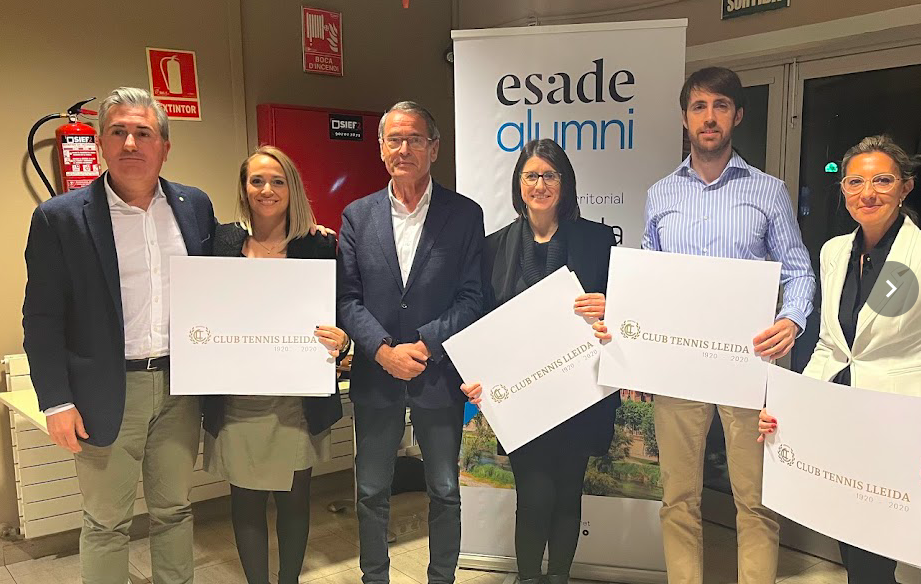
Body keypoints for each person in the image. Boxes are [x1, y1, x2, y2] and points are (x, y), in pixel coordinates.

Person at [22, 87, 216, 584]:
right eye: (119, 132)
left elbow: (226, 277)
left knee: (175, 509)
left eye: (143, 133)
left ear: (164, 147)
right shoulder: (60, 218)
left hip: (179, 388)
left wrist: (305, 236)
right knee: (106, 521)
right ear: (101, 144)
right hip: (105, 392)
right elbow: (41, 318)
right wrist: (56, 400)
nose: (131, 143)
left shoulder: (194, 206)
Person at [641, 67, 816, 584]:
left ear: (737, 115)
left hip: (748, 366)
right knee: (678, 498)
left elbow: (799, 270)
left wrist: (792, 318)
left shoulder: (769, 191)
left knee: (755, 501)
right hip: (678, 368)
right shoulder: (660, 195)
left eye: (720, 105)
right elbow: (647, 280)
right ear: (685, 118)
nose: (709, 117)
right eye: (699, 106)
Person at [759, 135, 921, 584]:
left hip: (903, 425)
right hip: (842, 420)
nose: (868, 193)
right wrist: (791, 407)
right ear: (843, 190)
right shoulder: (834, 252)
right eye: (855, 182)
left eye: (883, 181)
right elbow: (830, 344)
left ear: (906, 187)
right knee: (855, 553)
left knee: (878, 560)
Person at [337, 101, 485, 584]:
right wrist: (382, 351)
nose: (404, 149)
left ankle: (442, 578)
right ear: (381, 148)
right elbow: (347, 300)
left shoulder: (465, 215)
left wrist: (424, 344)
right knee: (370, 492)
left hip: (437, 374)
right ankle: (374, 578)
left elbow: (472, 297)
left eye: (415, 140)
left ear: (434, 148)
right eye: (394, 140)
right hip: (376, 376)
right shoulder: (357, 216)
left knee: (444, 490)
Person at [459, 138, 619, 584]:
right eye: (531, 175)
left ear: (565, 183)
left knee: (568, 494)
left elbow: (624, 307)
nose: (540, 184)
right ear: (519, 184)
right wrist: (474, 373)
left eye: (550, 175)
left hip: (580, 394)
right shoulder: (493, 247)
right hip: (523, 399)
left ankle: (559, 577)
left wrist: (609, 307)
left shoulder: (597, 240)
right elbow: (481, 319)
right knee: (532, 497)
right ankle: (529, 578)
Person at [201, 146, 347, 584]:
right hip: (237, 399)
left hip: (295, 399)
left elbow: (342, 309)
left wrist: (343, 341)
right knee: (245, 500)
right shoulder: (221, 243)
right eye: (257, 181)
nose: (267, 190)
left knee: (294, 498)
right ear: (244, 188)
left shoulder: (319, 245)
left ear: (292, 188)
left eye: (278, 181)